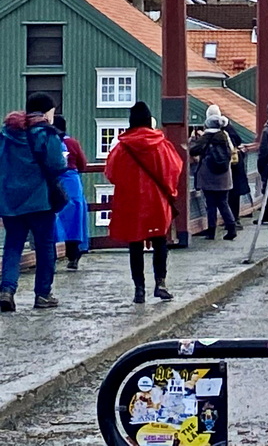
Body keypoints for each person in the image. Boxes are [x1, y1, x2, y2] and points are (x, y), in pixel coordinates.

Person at [105, 101, 184, 303]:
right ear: (149, 121)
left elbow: (111, 173)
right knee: (160, 242)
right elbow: (175, 168)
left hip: (131, 201)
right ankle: (161, 283)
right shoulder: (161, 144)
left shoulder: (122, 147)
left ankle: (139, 289)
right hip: (156, 200)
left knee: (135, 244)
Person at [0, 93, 66, 311]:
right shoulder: (46, 134)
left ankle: (7, 290)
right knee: (45, 247)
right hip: (39, 201)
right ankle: (42, 295)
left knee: (13, 245)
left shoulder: (6, 134)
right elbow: (57, 165)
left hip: (10, 201)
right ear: (47, 112)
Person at [189, 107, 237, 240]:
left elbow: (193, 151)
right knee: (223, 203)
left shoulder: (206, 137)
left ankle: (211, 231)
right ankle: (231, 227)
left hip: (209, 176)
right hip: (224, 176)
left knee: (210, 205)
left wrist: (194, 139)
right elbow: (232, 151)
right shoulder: (224, 137)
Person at [52, 114, 90, 271]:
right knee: (75, 219)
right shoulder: (72, 143)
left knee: (55, 217)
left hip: (54, 180)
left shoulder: (49, 142)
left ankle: (52, 255)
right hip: (72, 182)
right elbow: (82, 164)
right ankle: (73, 256)